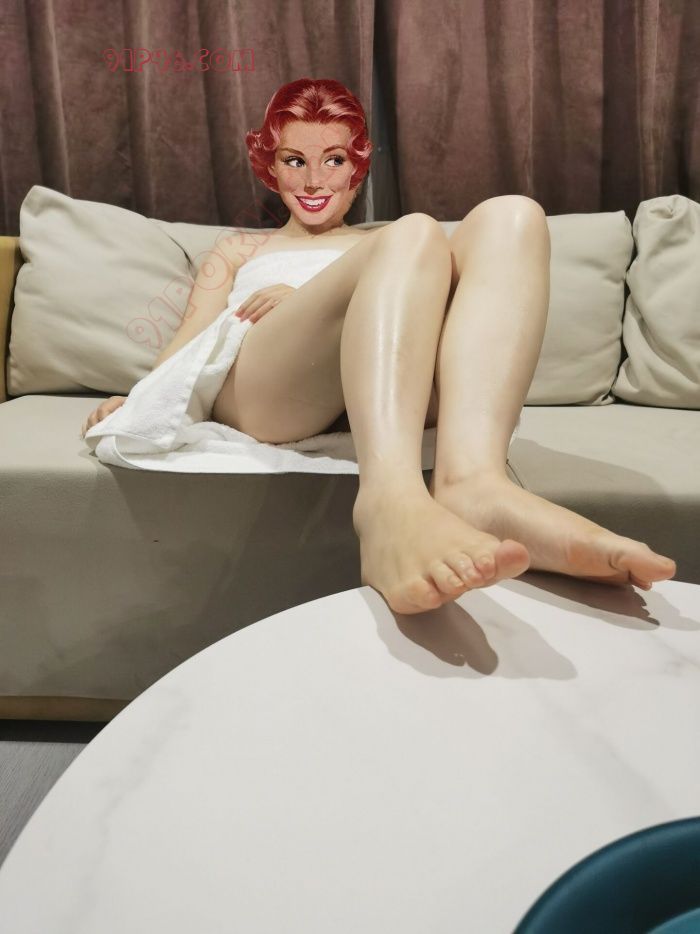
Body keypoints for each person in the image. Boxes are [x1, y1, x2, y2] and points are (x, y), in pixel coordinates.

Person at [83, 77, 677, 614]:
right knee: (413, 230)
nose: (313, 181)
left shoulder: (392, 245)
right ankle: (388, 501)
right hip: (272, 389)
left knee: (513, 215)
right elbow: (192, 337)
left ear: (357, 166)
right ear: (270, 166)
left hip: (392, 382)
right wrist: (138, 398)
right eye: (295, 160)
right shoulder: (239, 250)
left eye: (333, 160)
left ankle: (474, 482)